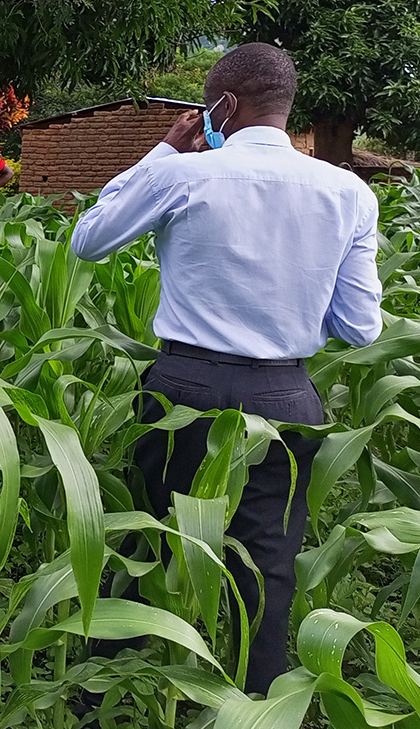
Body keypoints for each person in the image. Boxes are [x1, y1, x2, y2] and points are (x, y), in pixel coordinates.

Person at [68, 42, 382, 694]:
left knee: (146, 535)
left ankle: (111, 694)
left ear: (224, 105)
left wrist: (163, 152)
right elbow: (361, 326)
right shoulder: (348, 193)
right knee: (267, 563)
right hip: (286, 393)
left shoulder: (184, 176)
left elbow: (89, 238)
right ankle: (254, 711)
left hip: (187, 388)